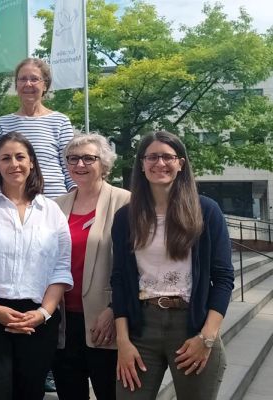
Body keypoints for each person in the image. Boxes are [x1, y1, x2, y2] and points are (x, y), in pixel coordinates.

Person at [111, 131, 234, 400]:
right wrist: (122, 340)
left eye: (168, 157)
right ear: (142, 164)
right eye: (152, 157)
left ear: (181, 163)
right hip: (141, 327)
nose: (160, 163)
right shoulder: (125, 218)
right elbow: (119, 280)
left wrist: (207, 337)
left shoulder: (206, 211)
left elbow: (223, 278)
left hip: (191, 326)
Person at [0, 132, 73, 400]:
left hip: (37, 321)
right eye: (6, 158)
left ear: (32, 162)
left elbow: (61, 268)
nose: (14, 164)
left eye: (20, 157)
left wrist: (43, 313)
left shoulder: (51, 211)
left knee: (30, 394)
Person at [52, 134, 130, 400]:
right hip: (63, 321)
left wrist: (114, 309)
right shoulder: (56, 206)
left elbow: (137, 266)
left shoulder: (126, 203)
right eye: (73, 159)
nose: (80, 164)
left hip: (105, 321)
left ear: (104, 163)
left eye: (89, 158)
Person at [0, 57, 75, 199]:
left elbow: (70, 168)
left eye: (34, 79)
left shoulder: (60, 121)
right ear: (16, 85)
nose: (28, 84)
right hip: (15, 202)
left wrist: (74, 199)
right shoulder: (2, 123)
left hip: (56, 201)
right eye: (22, 79)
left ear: (45, 85)